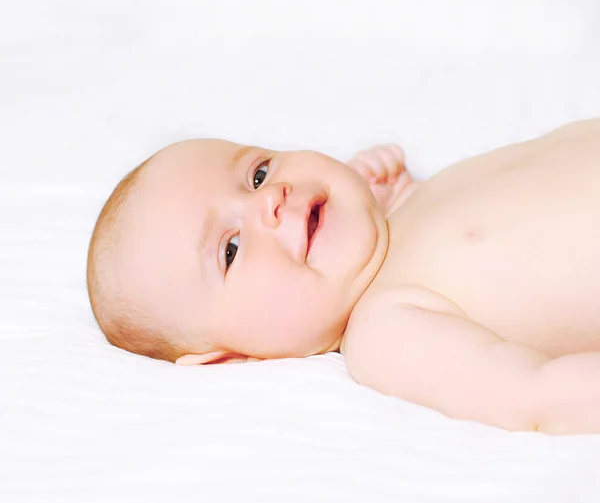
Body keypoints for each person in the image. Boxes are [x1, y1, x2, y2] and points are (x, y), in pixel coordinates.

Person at [87, 118, 600, 434]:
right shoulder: (385, 328)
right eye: (231, 249)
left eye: (258, 172)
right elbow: (534, 397)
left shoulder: (401, 210)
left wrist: (384, 186)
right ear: (231, 357)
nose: (270, 198)